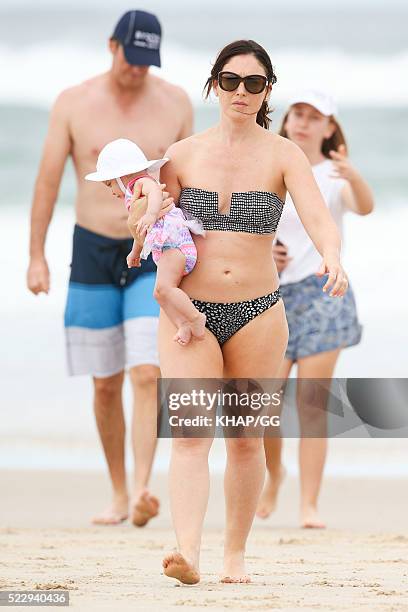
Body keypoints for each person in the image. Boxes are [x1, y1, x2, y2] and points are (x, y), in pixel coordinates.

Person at [157, 40, 349, 585]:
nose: (242, 92)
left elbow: (317, 215)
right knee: (192, 436)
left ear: (267, 89)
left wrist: (332, 256)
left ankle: (234, 555)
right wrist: (138, 224)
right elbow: (156, 230)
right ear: (215, 84)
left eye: (255, 82)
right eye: (231, 80)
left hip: (259, 311)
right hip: (188, 314)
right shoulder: (181, 154)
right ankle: (187, 552)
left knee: (245, 438)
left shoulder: (282, 154)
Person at [26, 10, 193, 526]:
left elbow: (191, 181)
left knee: (147, 372)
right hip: (94, 249)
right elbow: (49, 181)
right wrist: (36, 254)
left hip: (154, 256)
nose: (139, 69)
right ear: (111, 46)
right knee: (104, 381)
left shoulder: (175, 103)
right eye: (132, 58)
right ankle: (119, 492)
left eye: (149, 61)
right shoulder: (74, 103)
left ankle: (143, 489)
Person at [256, 89, 374, 528]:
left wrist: (355, 175)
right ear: (285, 121)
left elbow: (363, 207)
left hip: (325, 293)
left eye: (314, 117)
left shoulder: (334, 174)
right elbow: (246, 226)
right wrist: (266, 252)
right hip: (272, 295)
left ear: (329, 128)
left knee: (311, 404)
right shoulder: (268, 167)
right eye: (297, 114)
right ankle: (273, 476)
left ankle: (309, 504)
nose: (303, 122)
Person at [85, 138, 206, 346]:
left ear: (122, 176)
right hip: (168, 249)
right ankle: (182, 324)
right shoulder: (134, 192)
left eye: (110, 184)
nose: (111, 191)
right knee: (159, 294)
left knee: (163, 290)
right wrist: (135, 252)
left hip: (176, 247)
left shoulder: (142, 182)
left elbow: (155, 193)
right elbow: (141, 232)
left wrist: (150, 215)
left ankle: (195, 318)